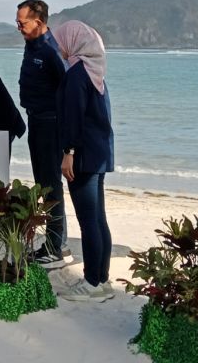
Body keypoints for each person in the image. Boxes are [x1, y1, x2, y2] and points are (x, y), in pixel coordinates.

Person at [53, 20, 116, 302]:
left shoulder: (77, 74)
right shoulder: (95, 72)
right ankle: (101, 279)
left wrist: (69, 152)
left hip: (82, 156)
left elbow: (74, 117)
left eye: (61, 41)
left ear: (73, 41)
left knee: (88, 220)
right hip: (98, 153)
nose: (59, 46)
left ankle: (91, 282)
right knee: (98, 218)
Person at [15, 0, 70, 269]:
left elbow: (67, 89)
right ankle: (57, 241)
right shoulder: (32, 44)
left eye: (22, 23)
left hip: (50, 123)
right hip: (35, 119)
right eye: (17, 23)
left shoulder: (51, 49)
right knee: (42, 182)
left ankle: (54, 247)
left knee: (50, 185)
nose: (18, 27)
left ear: (38, 22)